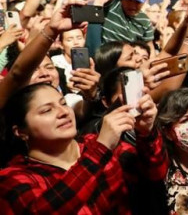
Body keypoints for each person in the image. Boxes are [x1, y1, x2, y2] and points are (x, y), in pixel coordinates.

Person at [0, 83, 167, 213]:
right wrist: (101, 148)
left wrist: (146, 132)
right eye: (47, 110)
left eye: (63, 103)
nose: (63, 112)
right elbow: (42, 210)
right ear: (21, 132)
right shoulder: (13, 177)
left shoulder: (93, 144)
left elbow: (155, 173)